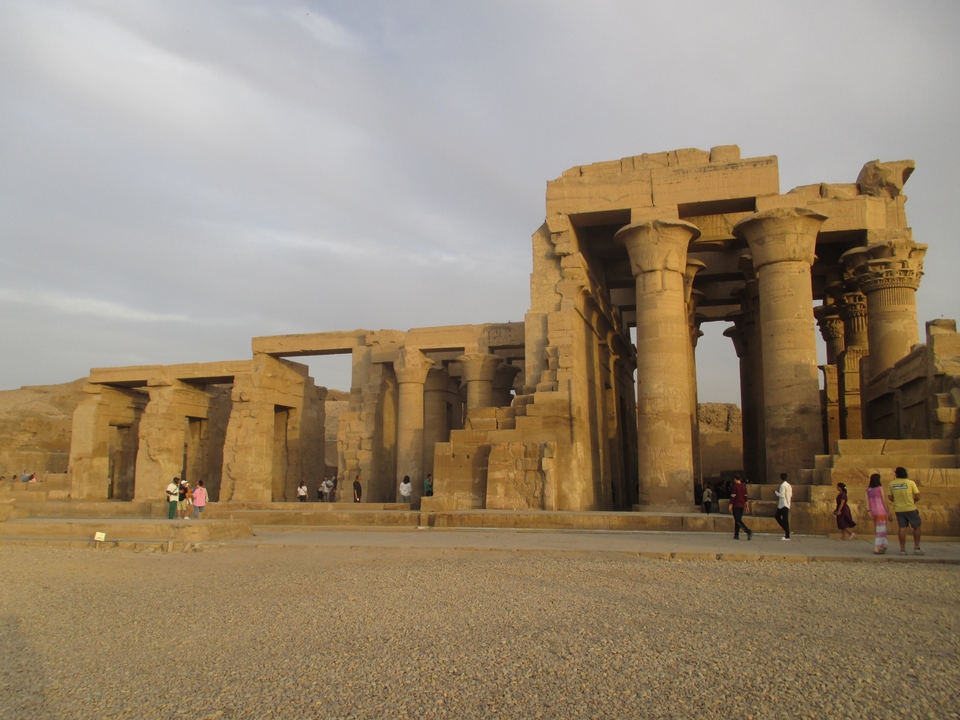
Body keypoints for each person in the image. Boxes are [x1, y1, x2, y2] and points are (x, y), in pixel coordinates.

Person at [889, 466, 922, 555]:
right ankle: (917, 547)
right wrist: (913, 501)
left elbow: (890, 497)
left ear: (896, 474)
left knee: (902, 528)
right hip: (910, 508)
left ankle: (902, 549)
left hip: (899, 509)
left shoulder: (892, 484)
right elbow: (918, 496)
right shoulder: (910, 483)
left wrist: (898, 501)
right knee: (916, 526)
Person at [866, 473, 889, 555]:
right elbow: (884, 501)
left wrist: (868, 511)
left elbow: (867, 501)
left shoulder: (868, 489)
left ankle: (882, 546)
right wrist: (888, 511)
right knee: (881, 530)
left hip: (873, 511)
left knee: (878, 529)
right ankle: (877, 547)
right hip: (881, 511)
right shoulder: (880, 488)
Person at [728, 475, 752, 540]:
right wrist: (747, 506)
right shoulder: (743, 487)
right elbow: (745, 497)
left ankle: (747, 531)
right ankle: (736, 535)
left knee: (738, 520)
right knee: (737, 520)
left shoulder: (735, 486)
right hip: (742, 505)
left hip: (736, 505)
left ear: (735, 479)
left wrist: (730, 504)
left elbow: (733, 495)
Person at [774, 472, 792, 541]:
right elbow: (790, 494)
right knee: (780, 517)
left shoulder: (782, 486)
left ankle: (787, 534)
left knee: (782, 518)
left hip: (783, 504)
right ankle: (787, 531)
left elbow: (782, 495)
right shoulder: (789, 485)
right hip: (786, 504)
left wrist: (776, 493)